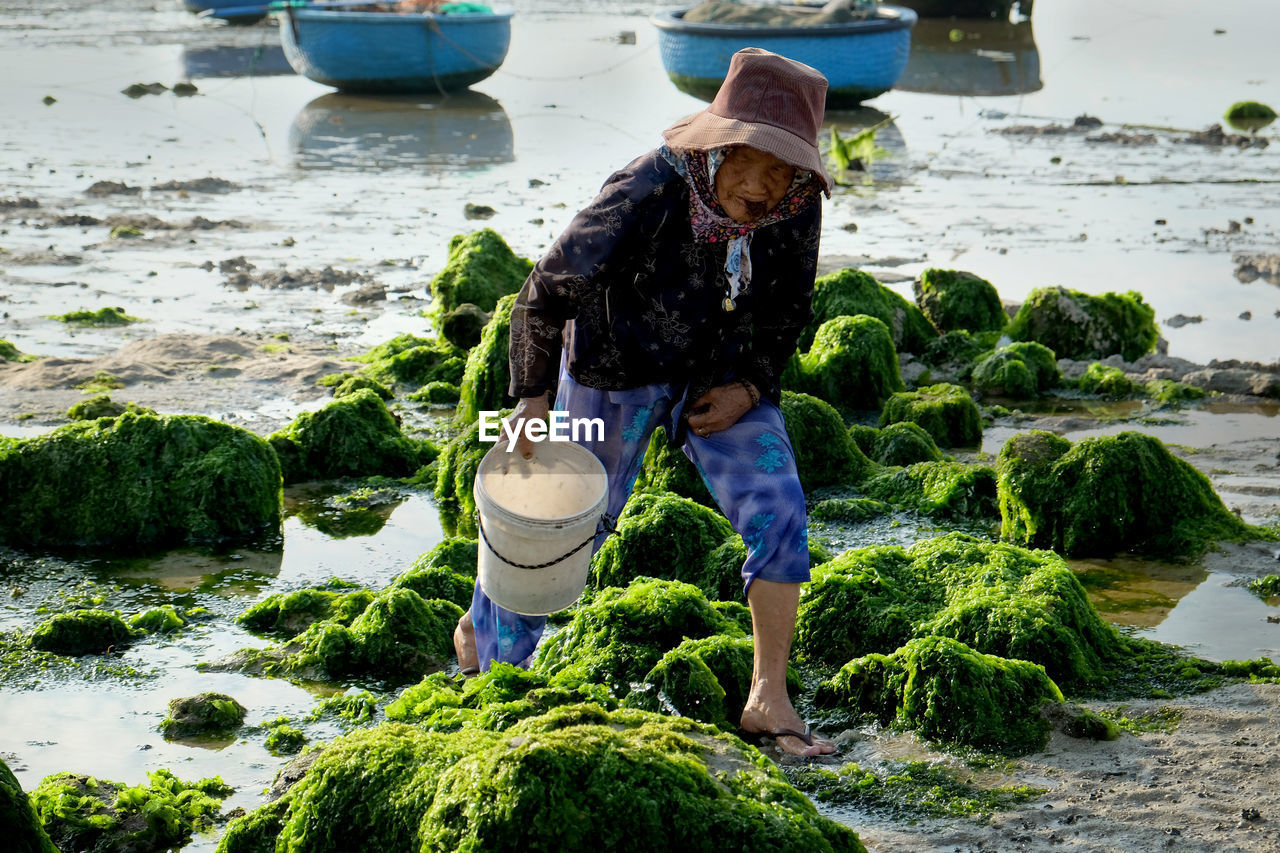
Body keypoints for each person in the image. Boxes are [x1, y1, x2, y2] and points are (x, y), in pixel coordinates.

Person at [454, 47, 837, 757]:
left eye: (781, 170)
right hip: (617, 365)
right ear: (716, 146)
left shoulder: (792, 206)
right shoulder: (646, 189)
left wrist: (748, 386)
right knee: (568, 520)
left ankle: (768, 697)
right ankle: (496, 669)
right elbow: (544, 292)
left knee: (779, 506)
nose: (762, 186)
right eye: (749, 160)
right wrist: (533, 398)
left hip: (719, 376)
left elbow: (787, 309)